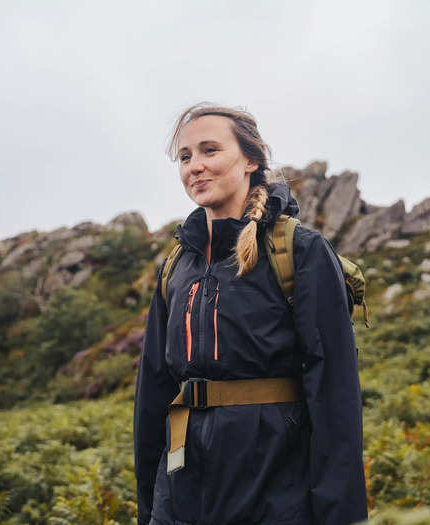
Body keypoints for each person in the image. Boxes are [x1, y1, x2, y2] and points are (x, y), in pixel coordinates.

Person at [133, 104, 368, 525]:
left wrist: (340, 515)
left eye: (210, 150)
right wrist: (150, 509)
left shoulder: (299, 250)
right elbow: (152, 395)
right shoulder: (175, 266)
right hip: (181, 499)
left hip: (274, 496)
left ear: (251, 159)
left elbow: (335, 398)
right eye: (185, 157)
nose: (195, 167)